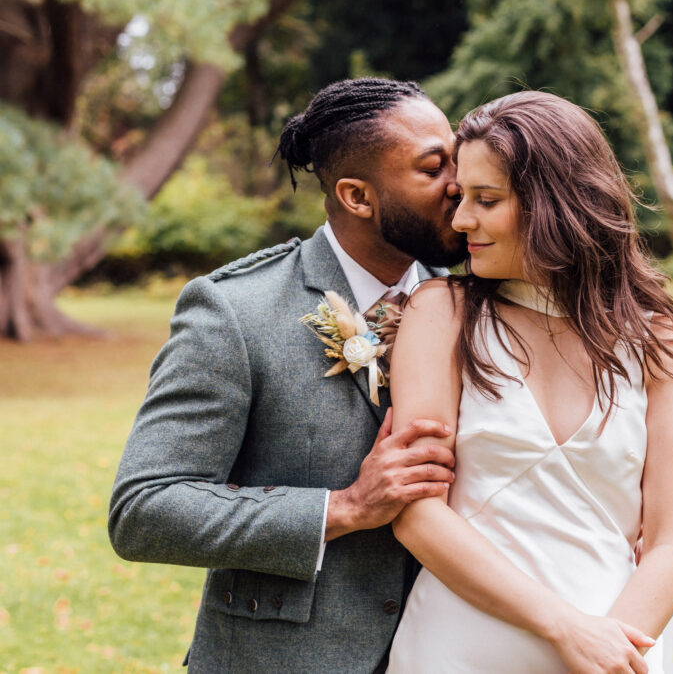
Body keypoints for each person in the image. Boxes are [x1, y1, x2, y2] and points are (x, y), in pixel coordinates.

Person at [108, 78, 467, 673]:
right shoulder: (235, 311)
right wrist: (344, 507)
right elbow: (144, 510)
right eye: (433, 169)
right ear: (357, 196)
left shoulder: (479, 306)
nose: (459, 183)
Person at [383, 91, 673, 673]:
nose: (460, 221)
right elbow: (415, 512)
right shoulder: (443, 313)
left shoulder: (662, 343)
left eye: (487, 200)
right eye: (461, 198)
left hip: (622, 645)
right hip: (462, 646)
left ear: (556, 203)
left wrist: (611, 652)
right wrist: (566, 630)